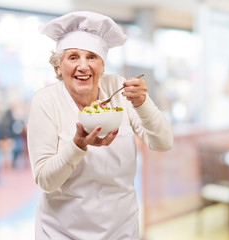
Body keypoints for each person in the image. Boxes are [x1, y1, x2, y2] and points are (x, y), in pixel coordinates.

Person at [27, 11, 173, 240]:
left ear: (102, 65)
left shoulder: (120, 89)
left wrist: (143, 104)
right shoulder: (46, 101)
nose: (83, 66)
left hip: (122, 229)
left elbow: (163, 143)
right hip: (61, 231)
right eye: (73, 57)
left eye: (92, 57)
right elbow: (46, 180)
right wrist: (76, 146)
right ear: (58, 67)